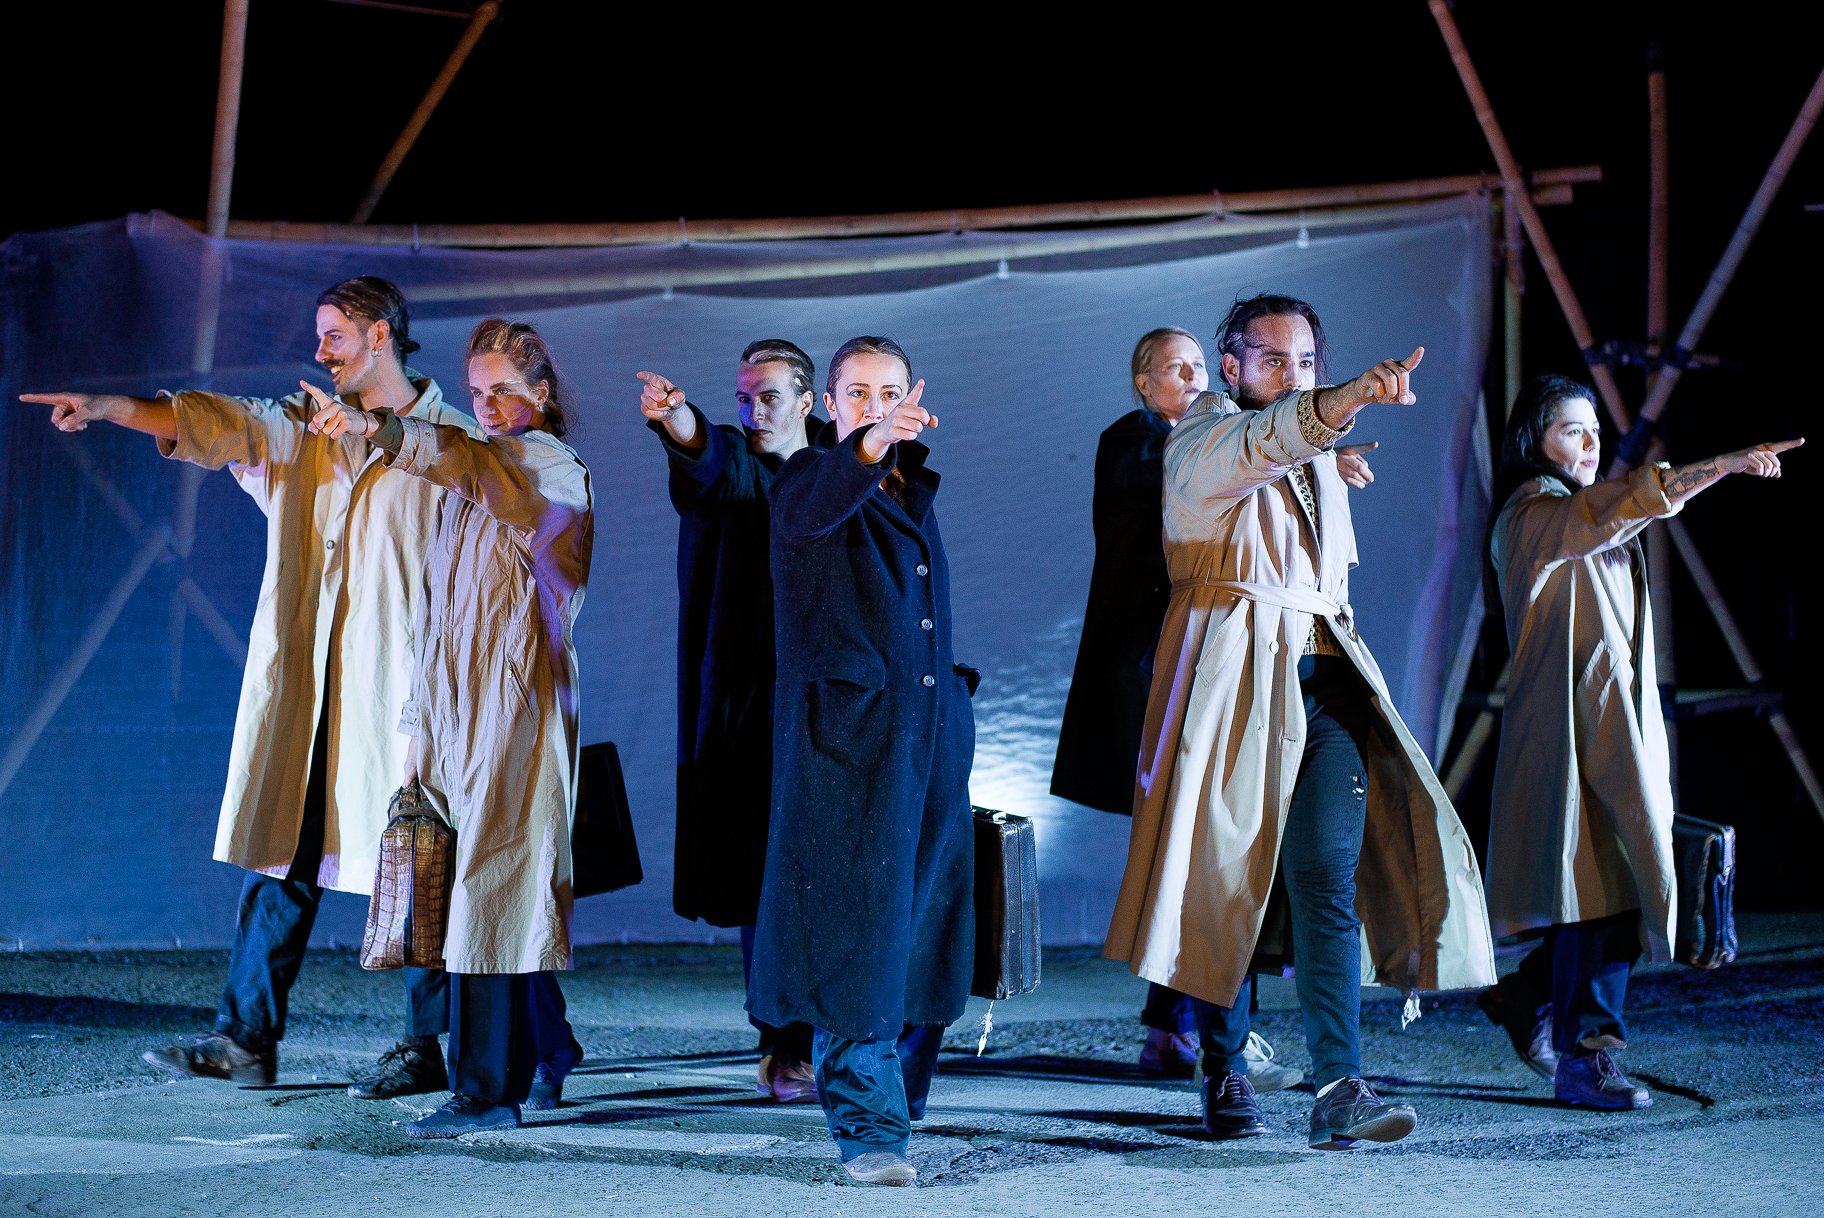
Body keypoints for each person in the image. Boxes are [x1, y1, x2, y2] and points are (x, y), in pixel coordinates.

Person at [21, 277, 471, 1101]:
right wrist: (115, 407)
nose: (321, 350)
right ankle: (245, 1038)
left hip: (404, 695)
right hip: (315, 685)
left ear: (380, 337)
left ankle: (427, 1045)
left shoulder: (451, 439)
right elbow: (221, 423)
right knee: (282, 855)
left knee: (414, 864)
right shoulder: (303, 430)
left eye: (334, 334)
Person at [1104, 293, 1496, 1150]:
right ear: (1233, 366)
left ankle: (1339, 1084)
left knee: (1327, 878)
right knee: (1225, 875)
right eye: (1272, 360)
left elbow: (1291, 462)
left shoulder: (1310, 451)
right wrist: (1343, 402)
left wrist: (1331, 450)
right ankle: (1223, 1065)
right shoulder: (1198, 438)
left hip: (1324, 683)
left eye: (1307, 363)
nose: (1292, 376)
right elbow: (1258, 446)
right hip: (1232, 679)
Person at [1477, 374, 1801, 1109]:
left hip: (1611, 725)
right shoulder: (1531, 513)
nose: (1589, 444)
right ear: (1534, 442)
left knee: (1608, 882)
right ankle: (1585, 1055)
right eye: (1571, 431)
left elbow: (1616, 519)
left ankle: (1527, 996)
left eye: (1594, 430)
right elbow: (1614, 509)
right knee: (1600, 885)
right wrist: (1719, 465)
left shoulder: (1583, 516)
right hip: (1565, 731)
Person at [303, 318, 593, 1137]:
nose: (490, 404)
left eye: (506, 388)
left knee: (493, 890)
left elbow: (476, 468)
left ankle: (486, 1091)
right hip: (454, 710)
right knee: (480, 890)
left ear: (542, 393)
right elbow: (434, 617)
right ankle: (545, 1054)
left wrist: (383, 429)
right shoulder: (469, 481)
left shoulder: (549, 466)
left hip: (517, 705)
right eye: (477, 392)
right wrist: (415, 728)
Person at [1051, 327, 1330, 1091]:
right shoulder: (1143, 442)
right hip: (1163, 669)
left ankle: (1177, 1026)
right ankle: (1197, 1033)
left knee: (1217, 849)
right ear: (1144, 384)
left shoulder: (1218, 439)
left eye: (1200, 367)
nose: (1193, 379)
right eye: (1176, 370)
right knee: (1201, 848)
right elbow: (1195, 481)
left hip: (1212, 661)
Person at [747, 336, 974, 1187]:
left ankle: (898, 1099)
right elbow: (813, 507)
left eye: (888, 390)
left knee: (918, 927)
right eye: (857, 393)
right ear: (828, 407)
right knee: (856, 932)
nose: (874, 404)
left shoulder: (912, 490)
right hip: (848, 749)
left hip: (924, 739)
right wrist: (869, 447)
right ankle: (867, 1130)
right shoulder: (807, 479)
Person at [636, 340, 828, 1102]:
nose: (754, 411)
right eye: (744, 397)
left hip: (830, 708)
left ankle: (839, 1037)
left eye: (770, 396)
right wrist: (681, 422)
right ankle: (784, 1040)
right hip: (752, 714)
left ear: (808, 400)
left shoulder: (841, 473)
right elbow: (711, 464)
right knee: (763, 878)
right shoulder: (742, 471)